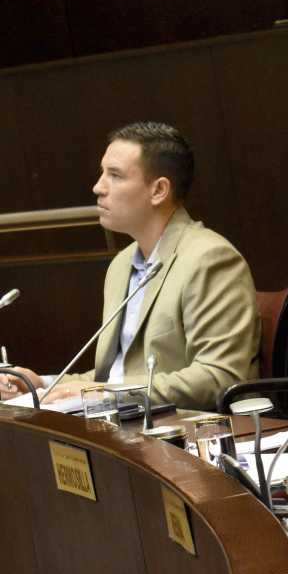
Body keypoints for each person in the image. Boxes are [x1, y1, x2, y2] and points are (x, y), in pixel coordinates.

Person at [0, 122, 259, 411]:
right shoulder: (121, 265)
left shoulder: (210, 259)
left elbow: (218, 377)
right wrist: (43, 385)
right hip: (125, 426)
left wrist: (102, 392)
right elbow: (114, 376)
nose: (98, 187)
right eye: (102, 173)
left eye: (115, 175)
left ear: (159, 190)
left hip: (185, 433)